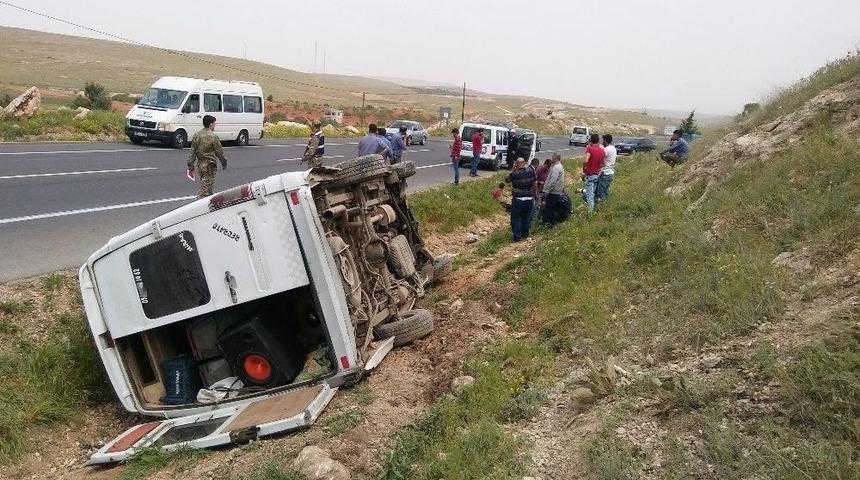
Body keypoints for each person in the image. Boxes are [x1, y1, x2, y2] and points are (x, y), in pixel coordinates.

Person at [187, 115, 227, 198]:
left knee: (208, 188)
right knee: (205, 190)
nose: (215, 125)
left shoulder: (197, 135)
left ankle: (209, 206)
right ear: (210, 124)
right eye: (214, 123)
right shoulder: (213, 136)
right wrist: (224, 162)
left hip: (200, 165)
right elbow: (219, 152)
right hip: (210, 165)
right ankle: (198, 206)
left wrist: (190, 165)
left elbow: (192, 151)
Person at [505, 157, 537, 241]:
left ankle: (517, 237)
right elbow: (534, 183)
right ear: (524, 163)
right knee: (526, 217)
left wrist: (512, 170)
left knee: (516, 218)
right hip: (529, 198)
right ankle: (525, 234)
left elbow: (507, 180)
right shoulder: (531, 171)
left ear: (516, 164)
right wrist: (535, 194)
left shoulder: (514, 174)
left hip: (518, 199)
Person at [582, 133, 605, 213]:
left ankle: (590, 213)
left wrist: (584, 169)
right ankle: (593, 209)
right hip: (597, 175)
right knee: (593, 193)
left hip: (590, 175)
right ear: (598, 140)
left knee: (589, 196)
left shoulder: (589, 148)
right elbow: (603, 164)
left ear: (591, 140)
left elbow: (586, 160)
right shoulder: (602, 151)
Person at [542, 153, 565, 226]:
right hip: (556, 191)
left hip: (553, 192)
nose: (551, 158)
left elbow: (552, 181)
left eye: (553, 157)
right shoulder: (559, 166)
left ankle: (547, 223)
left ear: (556, 158)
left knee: (549, 208)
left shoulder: (556, 168)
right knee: (552, 207)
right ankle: (551, 222)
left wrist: (547, 190)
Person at [596, 134, 616, 202]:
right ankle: (607, 204)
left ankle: (602, 205)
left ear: (605, 140)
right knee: (606, 191)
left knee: (601, 192)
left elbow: (600, 161)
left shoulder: (606, 149)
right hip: (611, 172)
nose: (602, 142)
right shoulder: (613, 148)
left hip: (605, 173)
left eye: (603, 140)